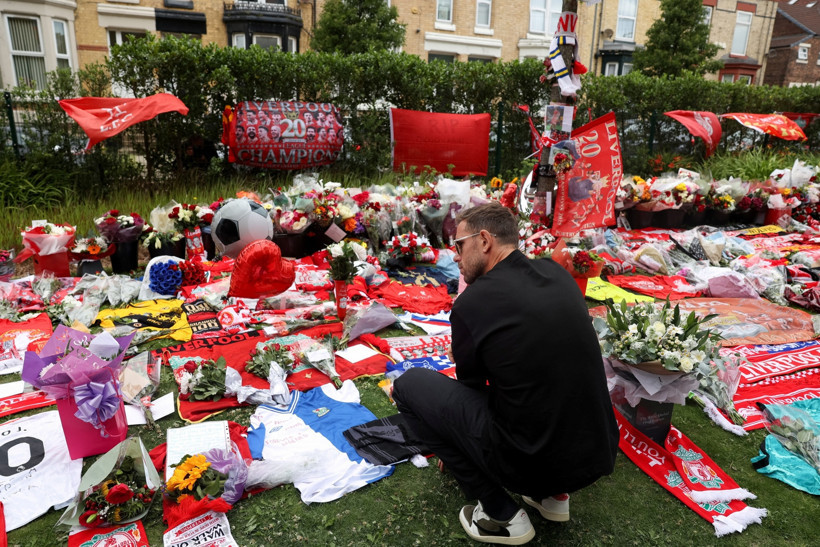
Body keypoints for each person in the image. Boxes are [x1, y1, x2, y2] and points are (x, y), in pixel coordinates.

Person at [393, 202, 618, 545]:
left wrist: (454, 442)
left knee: (407, 386)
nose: (454, 257)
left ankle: (499, 512)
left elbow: (470, 385)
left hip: (528, 459)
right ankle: (553, 498)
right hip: (596, 450)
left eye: (458, 246)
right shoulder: (556, 273)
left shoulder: (472, 302)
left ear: (484, 241)